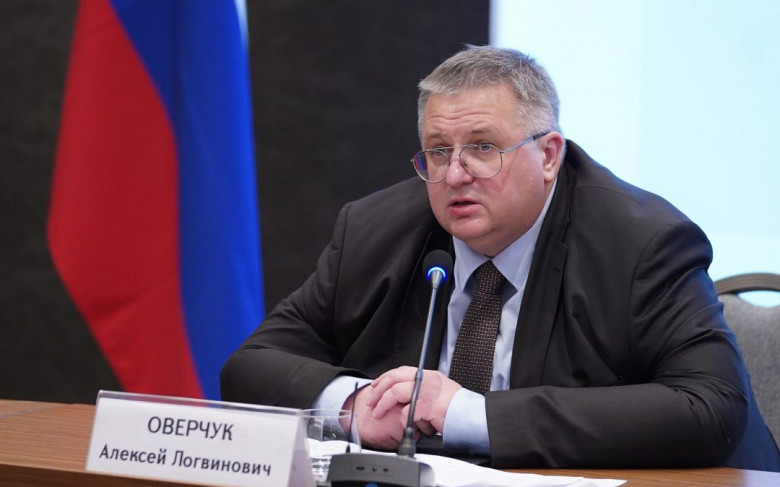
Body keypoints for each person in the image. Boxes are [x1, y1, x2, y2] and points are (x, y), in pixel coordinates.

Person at [221, 45, 780, 471]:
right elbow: (251, 363)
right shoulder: (376, 231)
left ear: (549, 155)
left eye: (483, 148)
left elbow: (711, 407)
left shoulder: (641, 243)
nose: (455, 174)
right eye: (438, 151)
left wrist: (465, 413)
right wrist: (354, 404)